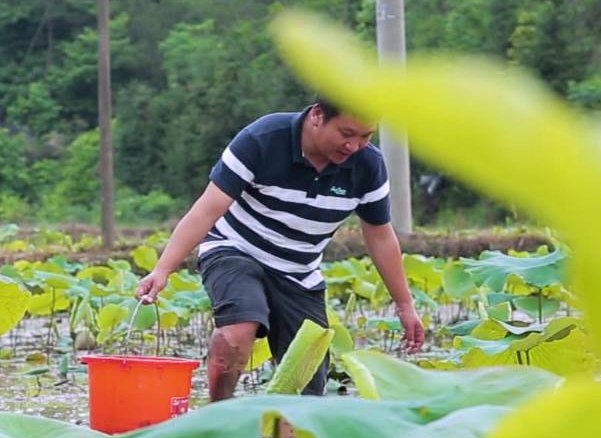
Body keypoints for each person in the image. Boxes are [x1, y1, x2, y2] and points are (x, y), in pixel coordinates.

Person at [136, 99, 425, 400]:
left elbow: (380, 236)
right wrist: (163, 269)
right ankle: (217, 411)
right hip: (236, 250)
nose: (353, 146)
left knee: (306, 388)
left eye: (365, 137)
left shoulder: (368, 166)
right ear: (317, 116)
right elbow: (206, 211)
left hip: (299, 273)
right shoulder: (263, 139)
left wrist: (405, 305)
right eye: (346, 133)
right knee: (239, 329)